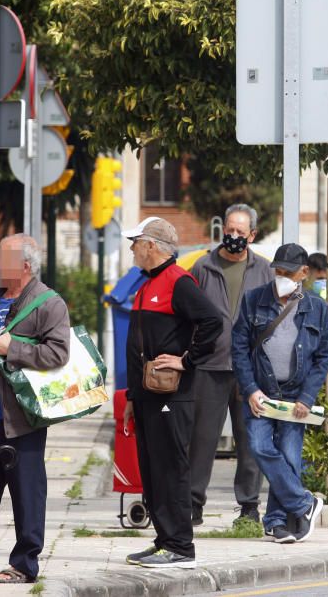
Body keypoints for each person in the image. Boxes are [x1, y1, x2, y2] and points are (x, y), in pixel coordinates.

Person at [121, 217, 222, 569]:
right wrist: (132, 397)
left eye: (136, 242)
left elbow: (213, 321)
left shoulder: (178, 281)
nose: (132, 248)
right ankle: (165, 539)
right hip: (147, 394)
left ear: (152, 245)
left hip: (171, 395)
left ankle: (180, 545)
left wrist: (187, 361)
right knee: (152, 468)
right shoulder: (146, 284)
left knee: (171, 469)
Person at [0, 234, 71, 584]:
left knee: (27, 491)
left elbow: (58, 354)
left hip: (22, 417)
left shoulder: (49, 303)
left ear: (25, 266)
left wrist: (8, 348)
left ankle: (24, 564)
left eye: (3, 258)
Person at [232, 243, 328, 544]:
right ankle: (305, 503)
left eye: (288, 272)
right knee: (259, 446)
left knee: (290, 456)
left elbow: (324, 355)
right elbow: (238, 347)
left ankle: (277, 522)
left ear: (303, 273)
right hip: (261, 392)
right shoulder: (254, 300)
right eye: (277, 271)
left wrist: (307, 396)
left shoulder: (318, 308)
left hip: (294, 395)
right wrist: (250, 389)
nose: (281, 276)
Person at [188, 204, 272, 526]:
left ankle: (249, 507)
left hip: (250, 369)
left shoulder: (264, 271)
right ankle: (194, 504)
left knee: (250, 439)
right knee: (202, 438)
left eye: (241, 232)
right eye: (229, 230)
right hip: (209, 365)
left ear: (252, 235)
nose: (234, 236)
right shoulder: (203, 267)